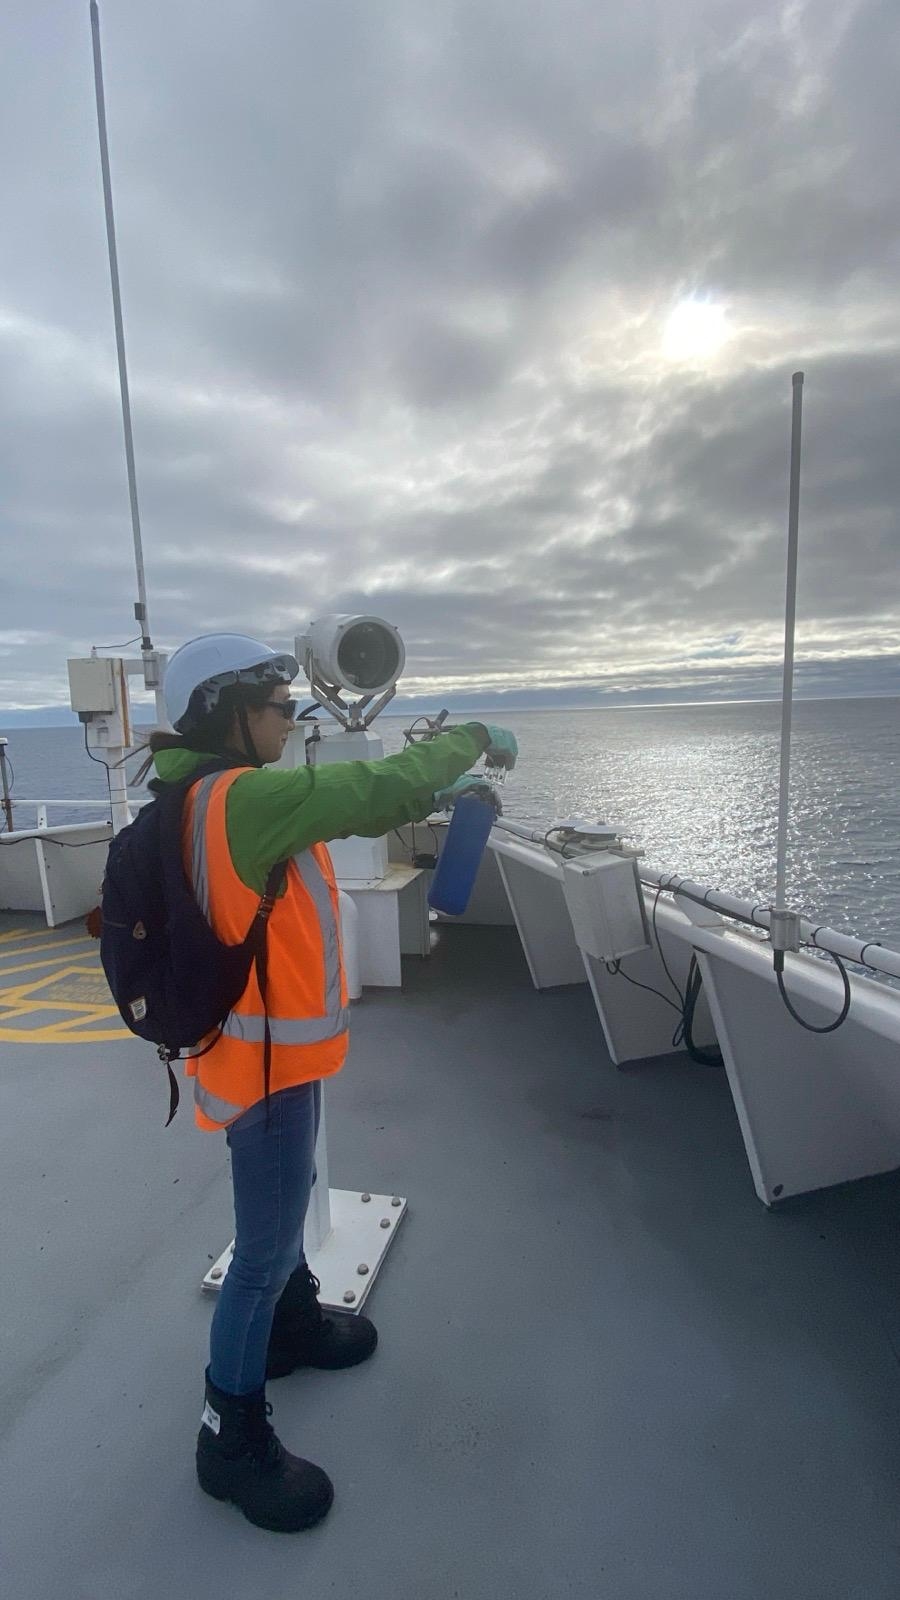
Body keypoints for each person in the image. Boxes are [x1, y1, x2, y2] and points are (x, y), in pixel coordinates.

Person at [151, 632, 517, 1533]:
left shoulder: (215, 795)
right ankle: (228, 1441)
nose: (291, 720)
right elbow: (368, 791)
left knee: (276, 1233)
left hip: (274, 1056)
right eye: (280, 707)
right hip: (264, 1069)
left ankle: (291, 1329)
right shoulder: (240, 801)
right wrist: (466, 737)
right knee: (262, 1252)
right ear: (227, 714)